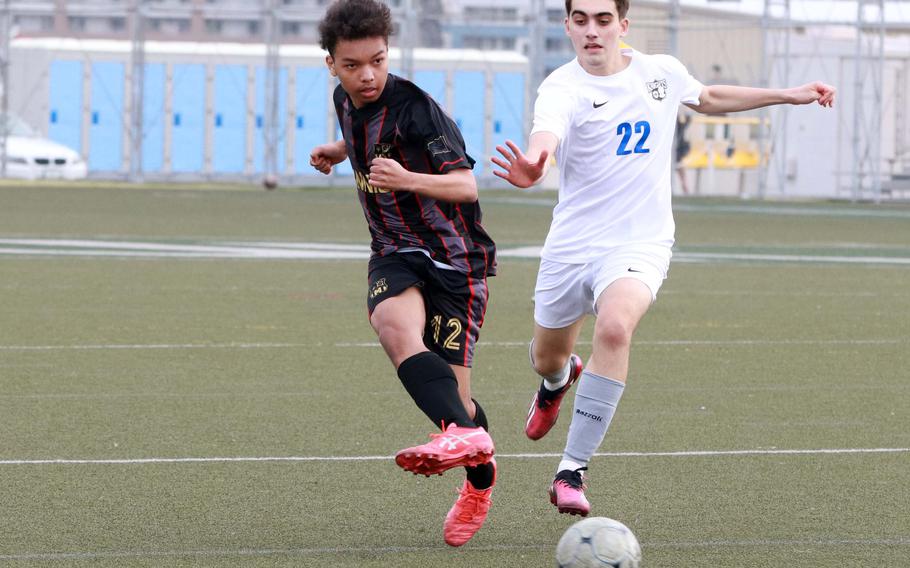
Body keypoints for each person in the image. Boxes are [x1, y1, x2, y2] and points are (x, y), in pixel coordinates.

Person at [491, 0, 835, 517]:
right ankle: (557, 381)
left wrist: (789, 94)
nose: (591, 30)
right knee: (547, 356)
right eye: (580, 19)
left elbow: (710, 96)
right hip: (572, 246)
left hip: (640, 241)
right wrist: (537, 163)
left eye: (603, 20)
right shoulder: (562, 86)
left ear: (623, 26)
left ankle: (571, 470)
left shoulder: (661, 72)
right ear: (566, 25)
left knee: (614, 328)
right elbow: (547, 136)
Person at [309, 0, 498, 547]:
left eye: (377, 60)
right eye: (352, 65)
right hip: (393, 248)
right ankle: (462, 437)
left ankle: (478, 480)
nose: (367, 75)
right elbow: (365, 135)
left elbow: (466, 186)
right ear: (332, 64)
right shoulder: (345, 100)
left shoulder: (420, 110)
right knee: (393, 327)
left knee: (459, 405)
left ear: (388, 53)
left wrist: (408, 179)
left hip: (454, 261)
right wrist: (340, 150)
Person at [674, 112, 692, 195]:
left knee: (682, 174)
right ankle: (685, 189)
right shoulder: (677, 126)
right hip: (674, 154)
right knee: (682, 174)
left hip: (677, 154)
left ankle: (686, 189)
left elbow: (688, 120)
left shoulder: (679, 127)